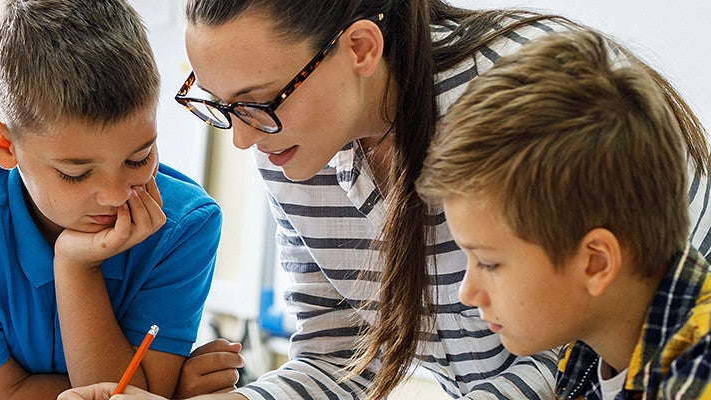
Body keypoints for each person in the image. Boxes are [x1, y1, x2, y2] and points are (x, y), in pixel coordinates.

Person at [62, 1, 711, 399]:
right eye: (221, 106)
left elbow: (584, 340)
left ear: (361, 48)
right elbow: (337, 360)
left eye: (258, 103)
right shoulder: (293, 146)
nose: (241, 141)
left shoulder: (512, 120)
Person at [0, 0, 228, 398]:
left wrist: (75, 267)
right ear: (3, 144)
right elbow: (0, 395)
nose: (117, 195)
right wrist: (166, 391)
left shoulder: (185, 225)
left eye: (139, 158)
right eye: (76, 173)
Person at [417, 29, 711, 400]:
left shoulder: (699, 374)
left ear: (596, 263)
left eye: (488, 263)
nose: (468, 293)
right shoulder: (587, 353)